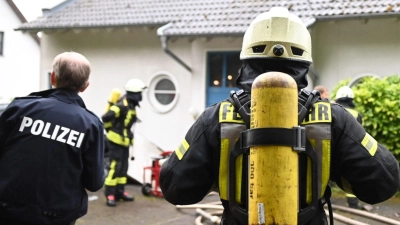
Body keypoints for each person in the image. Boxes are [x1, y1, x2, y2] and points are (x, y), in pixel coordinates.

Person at [159, 7, 400, 225]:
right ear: (304, 63)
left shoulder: (216, 118)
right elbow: (385, 182)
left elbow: (174, 188)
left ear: (246, 59)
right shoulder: (332, 118)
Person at [0, 52, 105, 225]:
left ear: (53, 77)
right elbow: (94, 182)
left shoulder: (20, 108)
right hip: (57, 217)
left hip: (7, 210)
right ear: (85, 86)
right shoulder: (91, 125)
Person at [102, 78, 146, 207]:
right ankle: (110, 194)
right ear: (134, 94)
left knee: (123, 167)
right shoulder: (120, 106)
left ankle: (120, 192)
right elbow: (105, 117)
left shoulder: (131, 106)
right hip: (115, 142)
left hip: (124, 142)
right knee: (115, 167)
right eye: (140, 93)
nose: (141, 96)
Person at [335, 86, 363, 208]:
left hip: (333, 148)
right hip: (350, 149)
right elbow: (362, 134)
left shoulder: (334, 110)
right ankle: (353, 204)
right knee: (350, 176)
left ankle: (324, 200)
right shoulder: (357, 114)